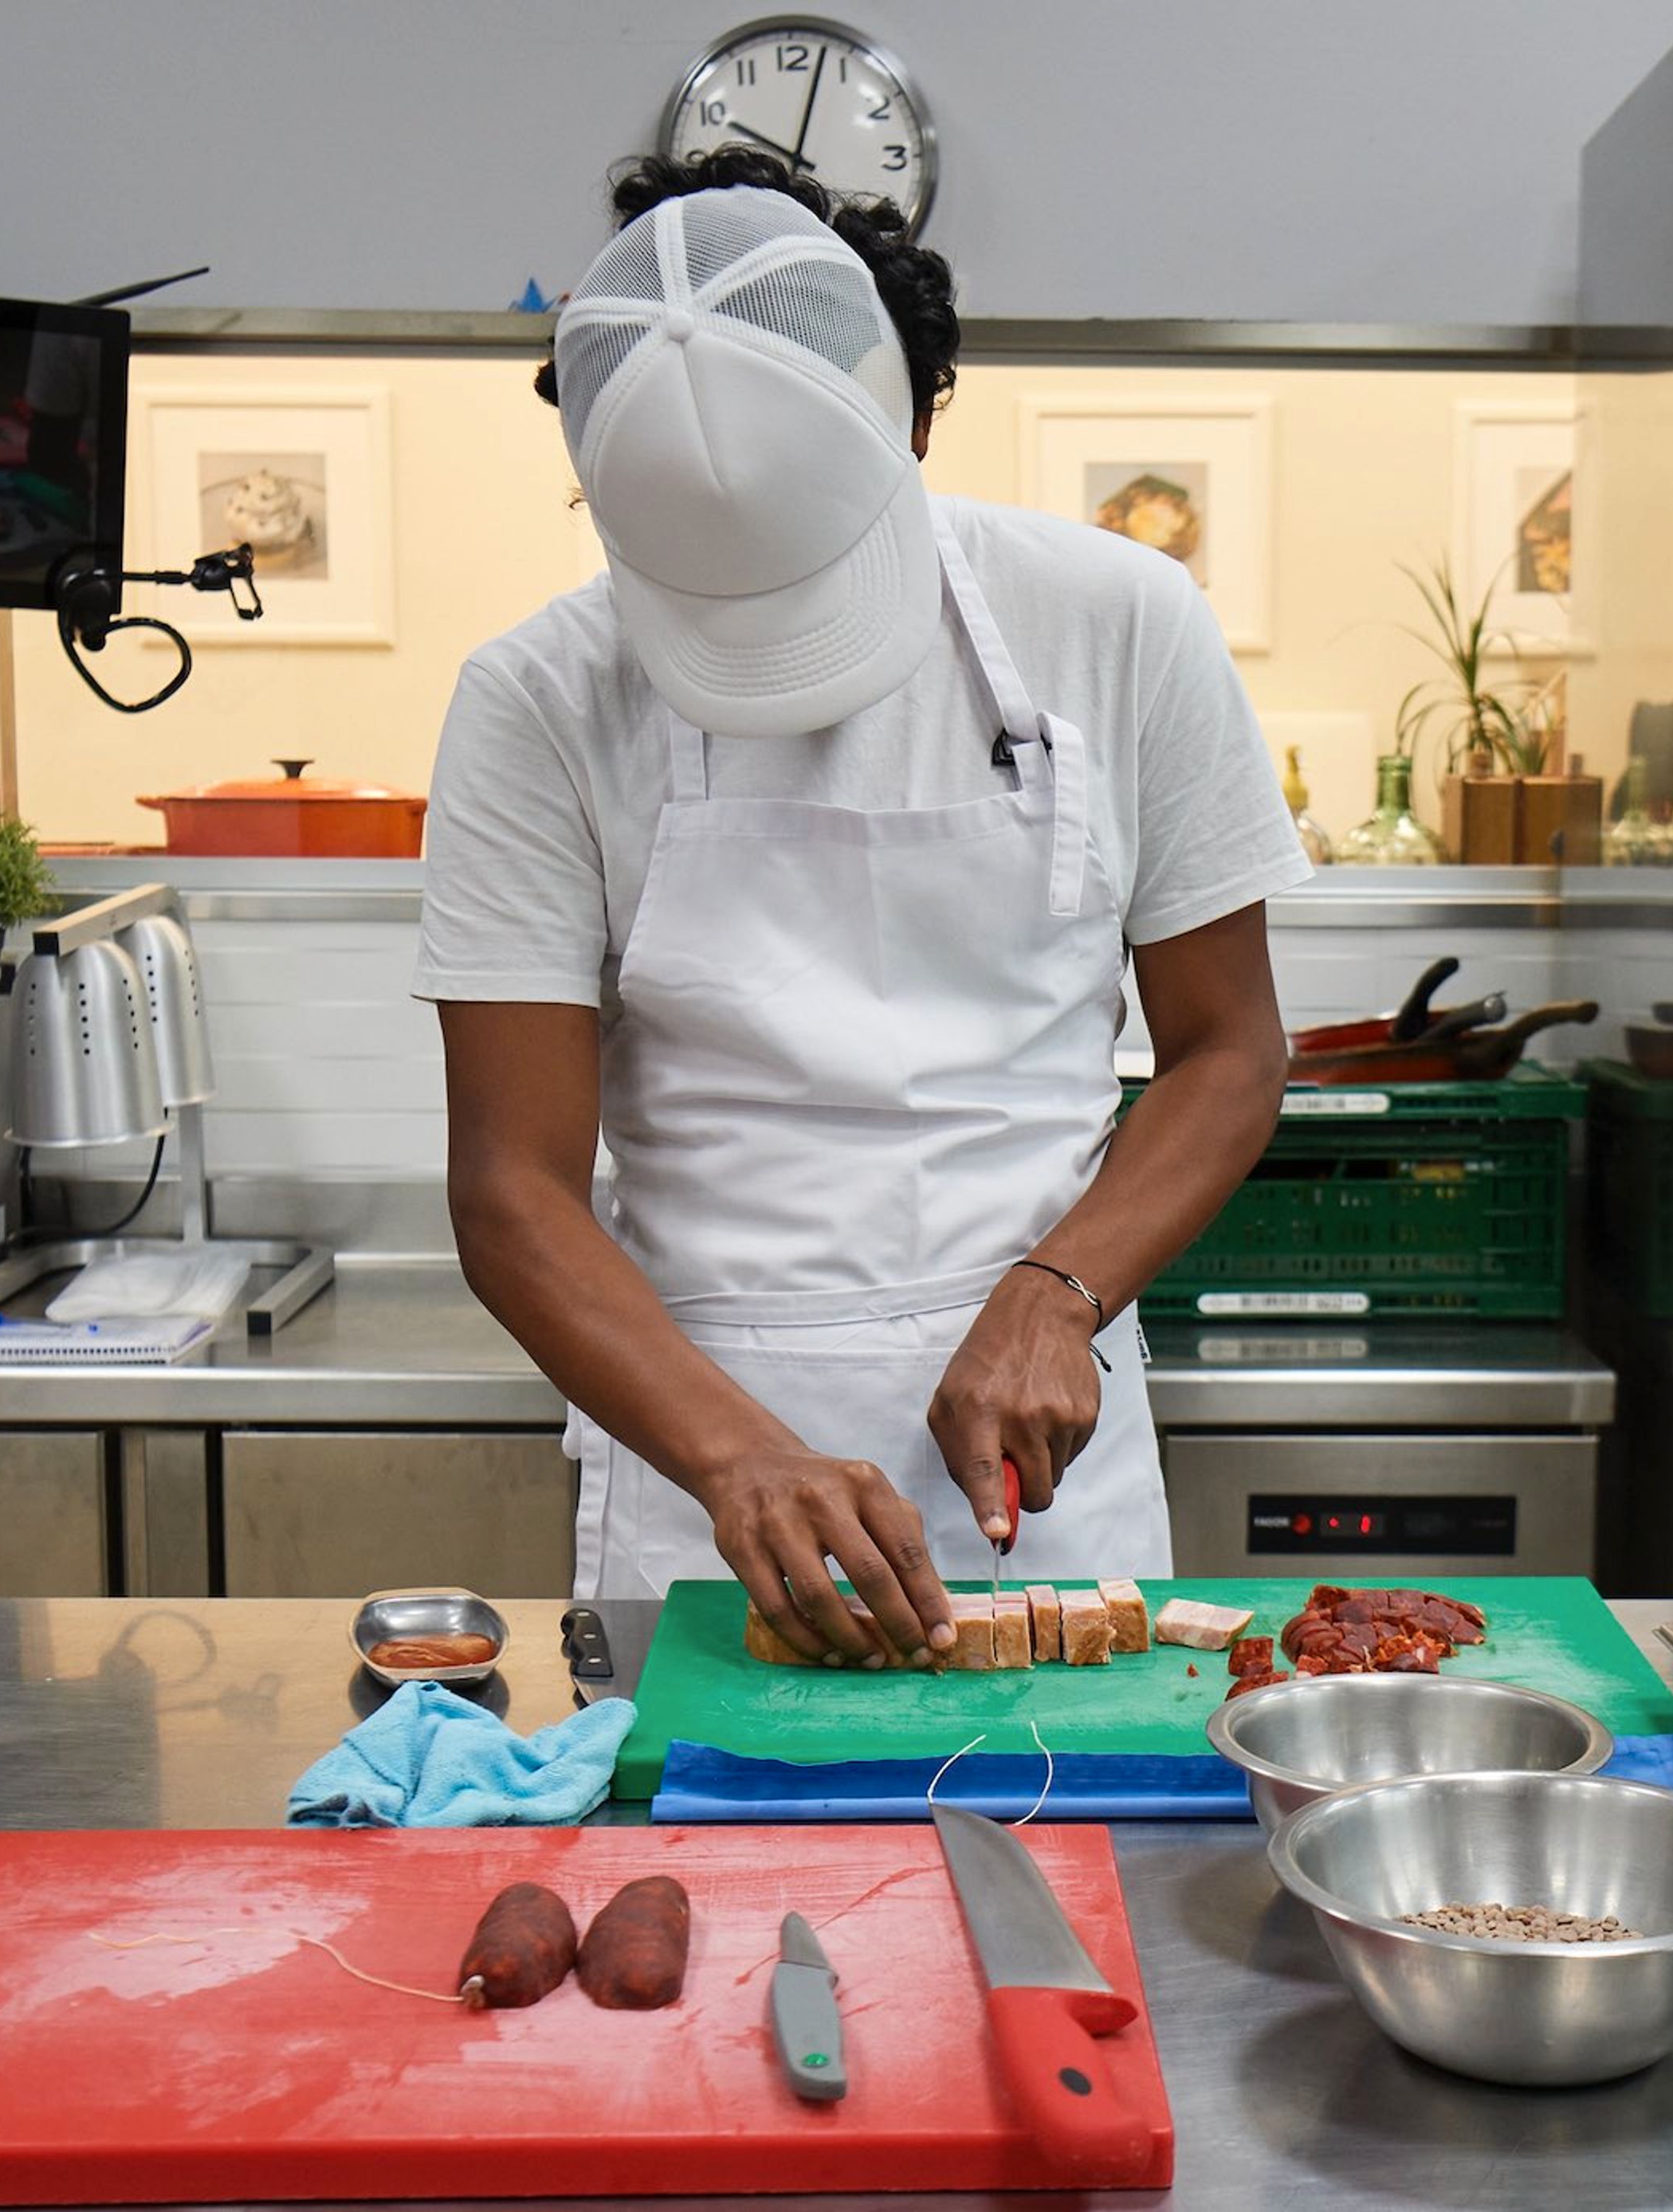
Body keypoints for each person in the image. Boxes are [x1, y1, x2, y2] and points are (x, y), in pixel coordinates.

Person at [416, 147, 1306, 1665]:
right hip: (700, 1461)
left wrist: (1060, 1290)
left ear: (912, 414)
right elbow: (513, 1188)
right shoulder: (536, 700)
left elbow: (1230, 1051)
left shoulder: (1117, 626)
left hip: (1046, 1452)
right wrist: (733, 1458)